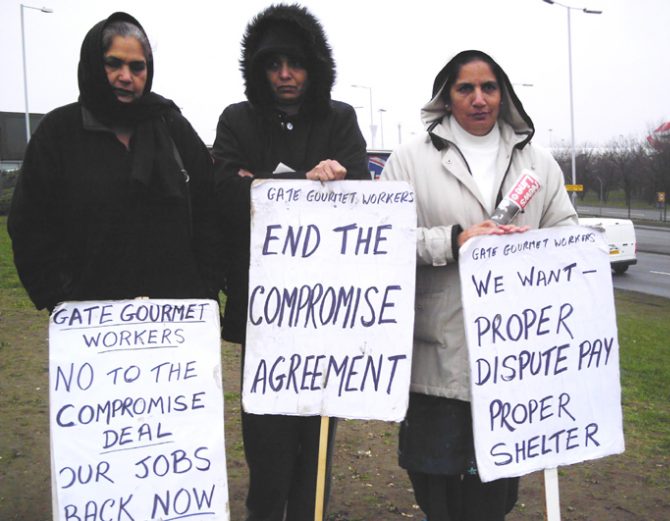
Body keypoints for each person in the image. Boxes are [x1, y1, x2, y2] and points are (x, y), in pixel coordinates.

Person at [381, 50, 578, 521]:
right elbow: (383, 242)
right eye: (465, 88)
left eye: (488, 87)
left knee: (494, 500)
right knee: (438, 494)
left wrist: (530, 251)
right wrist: (455, 240)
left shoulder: (539, 164)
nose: (478, 99)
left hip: (514, 361)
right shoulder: (409, 160)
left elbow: (568, 238)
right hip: (437, 360)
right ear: (446, 98)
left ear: (503, 94)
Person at [212, 4, 370, 521]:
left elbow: (362, 201)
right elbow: (221, 198)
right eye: (273, 63)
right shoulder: (236, 119)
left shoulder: (340, 119)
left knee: (316, 448)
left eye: (295, 63)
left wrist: (261, 183)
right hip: (263, 316)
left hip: (327, 315)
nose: (284, 74)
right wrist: (303, 182)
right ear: (257, 69)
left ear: (314, 65)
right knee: (265, 447)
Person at [8, 12, 221, 310]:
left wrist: (205, 286)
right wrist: (58, 296)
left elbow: (209, 210)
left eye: (137, 67)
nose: (126, 76)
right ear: (94, 64)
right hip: (91, 324)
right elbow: (30, 223)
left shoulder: (172, 126)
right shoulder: (59, 132)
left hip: (176, 324)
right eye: (114, 63)